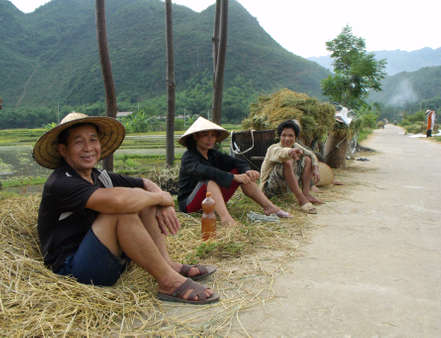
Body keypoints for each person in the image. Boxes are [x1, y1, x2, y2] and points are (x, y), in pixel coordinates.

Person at [33, 112, 219, 305]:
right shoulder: (61, 182)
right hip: (73, 271)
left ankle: (168, 265)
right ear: (64, 150)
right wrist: (161, 197)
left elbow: (144, 183)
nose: (88, 148)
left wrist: (161, 202)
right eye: (78, 142)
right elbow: (119, 203)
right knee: (122, 212)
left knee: (142, 202)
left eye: (92, 140)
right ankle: (168, 282)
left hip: (104, 259)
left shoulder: (99, 176)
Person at [177, 116, 291, 226]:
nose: (210, 139)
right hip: (190, 205)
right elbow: (205, 171)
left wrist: (247, 171)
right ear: (196, 137)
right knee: (209, 181)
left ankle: (269, 207)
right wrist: (233, 177)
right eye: (205, 135)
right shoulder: (189, 157)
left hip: (211, 202)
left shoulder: (213, 154)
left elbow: (237, 162)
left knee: (241, 173)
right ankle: (226, 219)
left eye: (213, 135)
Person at [260, 120, 323, 214]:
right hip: (269, 189)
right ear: (279, 136)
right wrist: (290, 152)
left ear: (295, 137)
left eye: (290, 136)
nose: (287, 139)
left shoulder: (296, 145)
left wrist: (315, 168)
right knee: (286, 162)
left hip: (286, 187)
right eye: (284, 135)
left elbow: (311, 154)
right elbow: (281, 153)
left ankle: (306, 193)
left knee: (307, 159)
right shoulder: (273, 148)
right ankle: (301, 199)